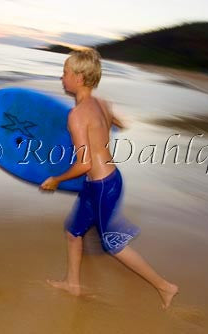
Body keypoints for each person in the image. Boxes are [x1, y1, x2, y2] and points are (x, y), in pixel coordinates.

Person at [39, 48, 179, 309]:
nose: (62, 78)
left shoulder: (77, 115)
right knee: (73, 232)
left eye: (65, 73)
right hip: (105, 181)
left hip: (102, 185)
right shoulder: (101, 103)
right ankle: (73, 283)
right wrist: (99, 132)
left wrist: (56, 180)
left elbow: (84, 163)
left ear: (79, 78)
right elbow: (119, 123)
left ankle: (165, 286)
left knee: (113, 244)